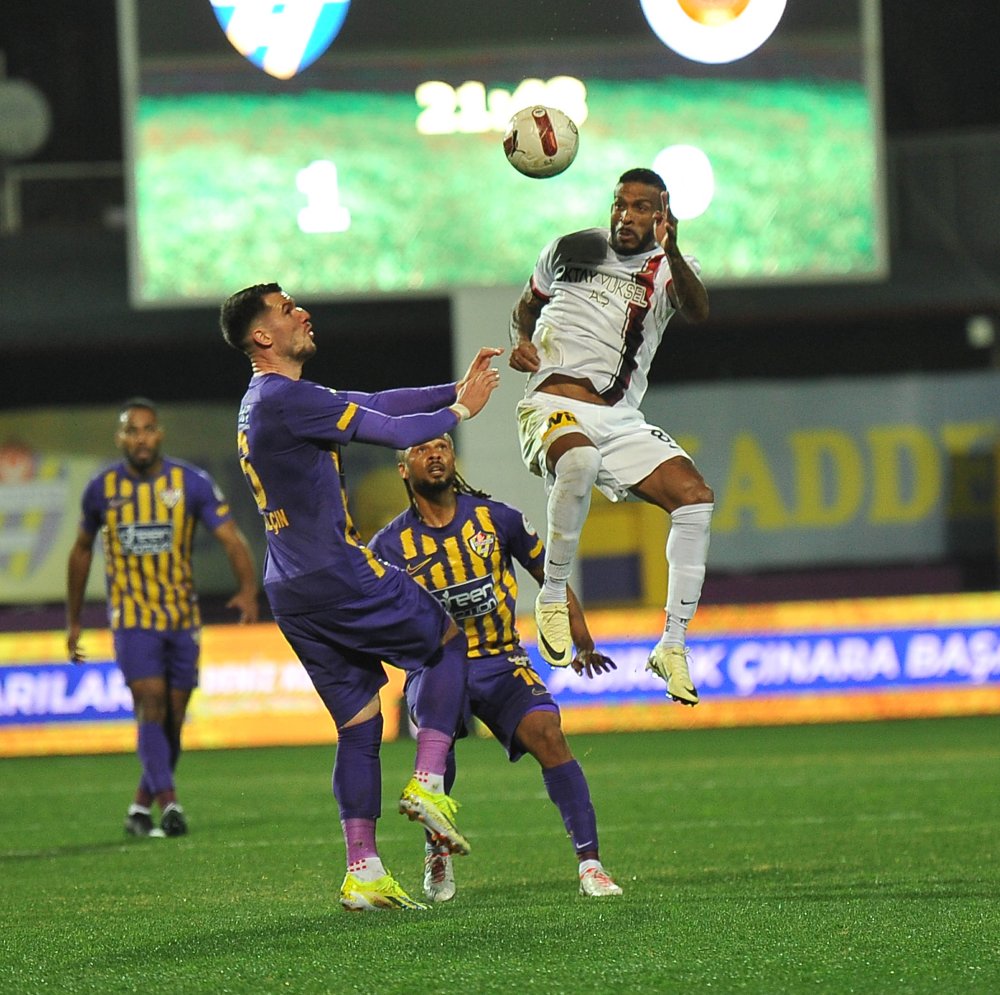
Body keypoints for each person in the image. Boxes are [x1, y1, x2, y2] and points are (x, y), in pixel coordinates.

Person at [219, 282, 501, 912]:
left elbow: (377, 402)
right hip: (336, 571)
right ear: (263, 336)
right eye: (288, 309)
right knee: (447, 642)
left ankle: (364, 870)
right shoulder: (287, 399)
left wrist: (453, 388)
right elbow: (398, 430)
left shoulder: (268, 399)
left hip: (290, 589)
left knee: (359, 724)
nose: (302, 313)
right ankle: (429, 781)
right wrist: (460, 413)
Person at [369, 434, 623, 900]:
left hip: (501, 658)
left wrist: (581, 638)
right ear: (404, 469)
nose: (436, 453)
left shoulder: (497, 519)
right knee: (437, 757)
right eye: (422, 450)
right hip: (433, 667)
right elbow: (370, 616)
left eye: (443, 445)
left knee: (550, 734)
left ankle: (591, 865)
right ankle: (437, 852)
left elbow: (553, 575)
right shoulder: (388, 545)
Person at [509, 167, 714, 706]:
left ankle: (672, 644)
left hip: (618, 416)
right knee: (576, 463)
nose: (626, 216)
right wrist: (520, 341)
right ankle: (553, 597)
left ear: (662, 213)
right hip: (551, 404)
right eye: (620, 204)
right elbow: (526, 306)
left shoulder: (670, 269)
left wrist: (674, 248)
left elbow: (698, 311)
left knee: (695, 500)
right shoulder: (569, 249)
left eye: (641, 208)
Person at [66, 398, 259, 838]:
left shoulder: (190, 483)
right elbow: (80, 551)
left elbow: (231, 538)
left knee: (172, 715)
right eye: (131, 430)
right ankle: (170, 804)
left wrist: (248, 591)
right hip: (132, 617)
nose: (140, 438)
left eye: (148, 429)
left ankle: (139, 808)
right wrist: (73, 620)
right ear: (120, 438)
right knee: (149, 701)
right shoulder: (102, 489)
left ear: (160, 434)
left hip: (181, 616)